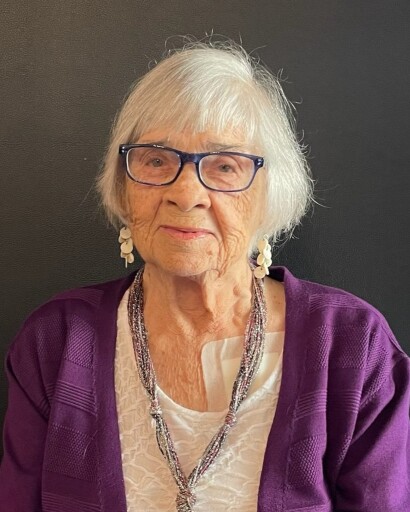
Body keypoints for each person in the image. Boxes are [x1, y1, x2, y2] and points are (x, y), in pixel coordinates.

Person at [0, 40, 409, 512]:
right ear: (123, 186)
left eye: (225, 166)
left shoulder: (353, 346)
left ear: (269, 194)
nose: (186, 193)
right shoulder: (56, 342)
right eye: (156, 160)